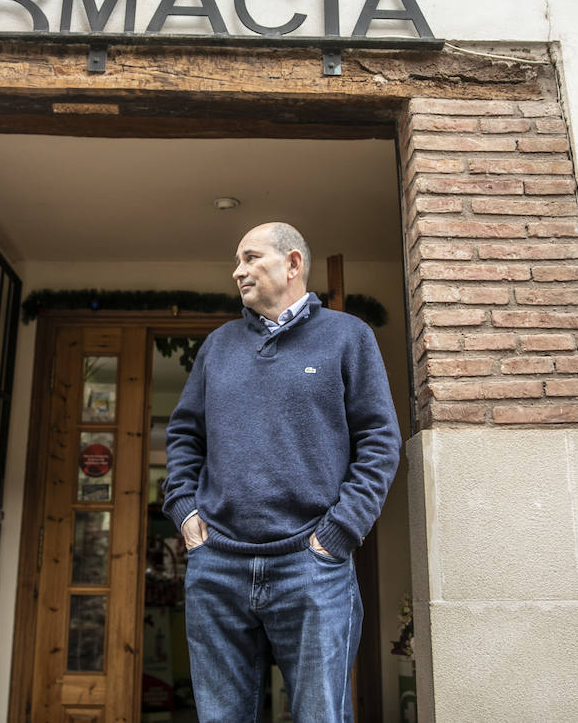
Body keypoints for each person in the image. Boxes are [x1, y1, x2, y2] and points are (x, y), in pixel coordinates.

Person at [163, 222, 401, 722]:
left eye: (251, 258)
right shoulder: (218, 347)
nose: (238, 271)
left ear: (293, 263)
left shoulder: (347, 337)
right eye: (236, 261)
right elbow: (185, 435)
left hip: (311, 564)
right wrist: (185, 512)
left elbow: (380, 441)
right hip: (218, 565)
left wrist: (339, 533)